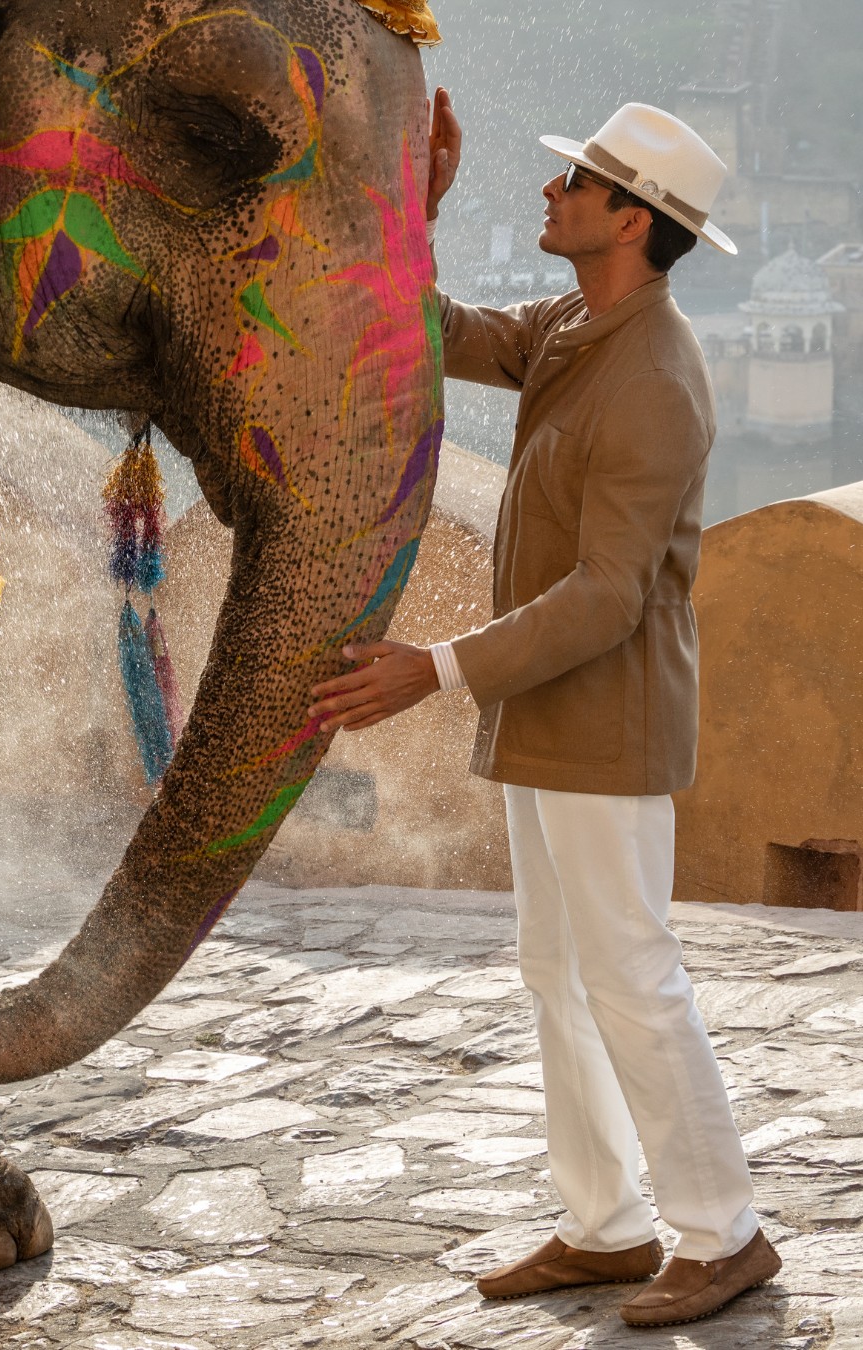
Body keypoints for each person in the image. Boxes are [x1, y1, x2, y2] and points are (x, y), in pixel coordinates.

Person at [308, 92, 782, 1327]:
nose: (552, 192)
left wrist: (439, 666)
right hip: (544, 720)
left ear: (632, 219)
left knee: (630, 974)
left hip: (606, 722)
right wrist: (421, 209)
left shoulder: (658, 380)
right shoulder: (579, 321)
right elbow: (446, 333)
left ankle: (722, 1233)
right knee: (556, 973)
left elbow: (609, 597)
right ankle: (608, 1223)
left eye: (577, 182)